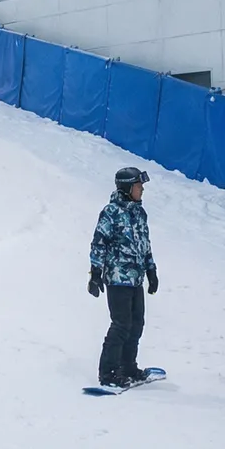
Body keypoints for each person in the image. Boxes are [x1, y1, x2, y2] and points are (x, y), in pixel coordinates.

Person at [87, 166, 157, 389]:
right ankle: (107, 372)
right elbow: (99, 243)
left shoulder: (139, 213)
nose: (141, 190)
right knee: (121, 325)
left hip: (135, 279)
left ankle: (127, 367)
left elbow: (145, 245)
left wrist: (151, 271)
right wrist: (95, 274)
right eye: (138, 186)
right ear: (127, 188)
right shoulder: (111, 212)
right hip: (117, 278)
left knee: (137, 323)